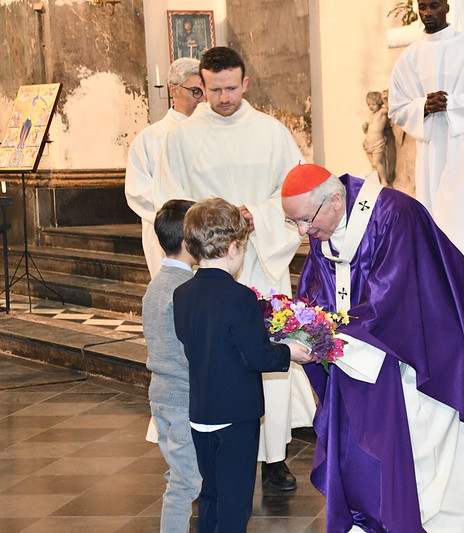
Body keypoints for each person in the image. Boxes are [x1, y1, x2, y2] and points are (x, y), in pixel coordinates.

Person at [281, 163, 464, 533]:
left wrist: (334, 336)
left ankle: (430, 520)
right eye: (293, 222)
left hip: (428, 346)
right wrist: (306, 327)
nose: (302, 231)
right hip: (372, 347)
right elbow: (318, 287)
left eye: (304, 220)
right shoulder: (323, 225)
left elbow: (394, 294)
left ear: (336, 200)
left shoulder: (394, 214)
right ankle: (378, 514)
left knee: (423, 441)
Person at [154, 46, 316, 491]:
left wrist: (256, 215)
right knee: (214, 359)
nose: (223, 97)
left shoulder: (272, 133)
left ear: (245, 83)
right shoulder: (181, 138)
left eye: (230, 88)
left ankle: (275, 457)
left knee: (268, 349)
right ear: (201, 86)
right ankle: (209, 453)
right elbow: (171, 202)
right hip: (207, 265)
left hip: (259, 258)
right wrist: (210, 226)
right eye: (214, 90)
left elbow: (294, 195)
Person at [174, 198, 313, 532]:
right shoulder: (240, 297)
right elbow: (258, 357)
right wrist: (290, 352)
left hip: (201, 412)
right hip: (236, 415)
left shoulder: (182, 294)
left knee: (211, 495)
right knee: (235, 502)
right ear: (233, 247)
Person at [388, 0, 464, 311]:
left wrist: (453, 104)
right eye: (422, 7)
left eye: (434, 6)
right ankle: (439, 293)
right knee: (434, 219)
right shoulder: (409, 57)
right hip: (431, 155)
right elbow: (397, 108)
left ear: (446, 7)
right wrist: (423, 107)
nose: (427, 13)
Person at [142, 199, 200, 533]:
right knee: (185, 483)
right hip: (181, 397)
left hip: (161, 394)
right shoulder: (184, 290)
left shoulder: (157, 283)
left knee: (181, 474)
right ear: (189, 240)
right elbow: (188, 351)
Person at [125, 57, 205, 279]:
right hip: (170, 237)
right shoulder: (150, 138)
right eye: (196, 92)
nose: (203, 99)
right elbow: (138, 191)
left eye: (206, 91)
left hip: (209, 233)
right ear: (174, 89)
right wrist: (181, 221)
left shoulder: (215, 135)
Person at [362, 91, 389, 185]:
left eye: (373, 104)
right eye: (369, 104)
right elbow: (369, 131)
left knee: (377, 163)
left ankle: (384, 181)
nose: (371, 107)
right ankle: (376, 181)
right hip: (368, 144)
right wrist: (365, 128)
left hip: (377, 142)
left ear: (379, 102)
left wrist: (385, 99)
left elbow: (389, 109)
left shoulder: (381, 112)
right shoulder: (371, 115)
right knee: (373, 165)